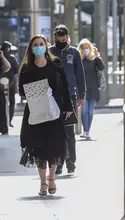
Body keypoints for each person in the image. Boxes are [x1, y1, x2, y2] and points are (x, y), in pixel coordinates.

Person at [19, 34, 73, 196]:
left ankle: (51, 179)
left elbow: (64, 87)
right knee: (39, 147)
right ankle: (42, 182)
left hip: (54, 111)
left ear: (46, 45)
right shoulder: (27, 68)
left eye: (41, 44)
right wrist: (36, 90)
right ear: (31, 48)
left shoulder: (55, 65)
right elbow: (21, 91)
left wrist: (68, 107)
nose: (38, 47)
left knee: (54, 146)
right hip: (35, 113)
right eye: (35, 44)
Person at [49, 24, 86, 175]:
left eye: (64, 39)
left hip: (70, 96)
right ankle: (58, 161)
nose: (61, 42)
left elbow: (80, 75)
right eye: (59, 40)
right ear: (54, 39)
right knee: (56, 131)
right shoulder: (50, 52)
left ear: (68, 38)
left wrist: (81, 96)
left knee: (69, 131)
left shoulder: (74, 53)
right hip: (53, 96)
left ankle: (71, 161)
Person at [77, 39, 105, 140]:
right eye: (83, 48)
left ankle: (87, 131)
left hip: (93, 89)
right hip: (82, 90)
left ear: (90, 48)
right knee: (84, 111)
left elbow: (102, 67)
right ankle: (86, 131)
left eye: (87, 48)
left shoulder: (95, 60)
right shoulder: (79, 61)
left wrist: (97, 55)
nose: (85, 50)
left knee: (90, 111)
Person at [0, 41, 19, 128]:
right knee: (11, 103)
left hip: (0, 83)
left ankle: (3, 121)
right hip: (11, 82)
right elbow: (17, 70)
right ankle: (9, 121)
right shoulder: (12, 58)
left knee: (1, 102)